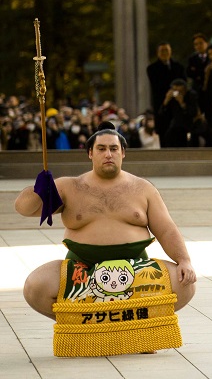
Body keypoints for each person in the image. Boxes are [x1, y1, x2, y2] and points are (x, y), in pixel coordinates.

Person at [14, 125, 196, 321]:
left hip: (136, 270)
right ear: (90, 153)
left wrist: (184, 260)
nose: (108, 154)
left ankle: (136, 325)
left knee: (186, 284)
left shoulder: (143, 188)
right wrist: (39, 189)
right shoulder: (69, 187)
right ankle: (83, 322)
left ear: (123, 153)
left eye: (113, 148)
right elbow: (24, 208)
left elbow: (166, 229)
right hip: (81, 270)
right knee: (35, 287)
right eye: (101, 149)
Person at [146, 42, 186, 121]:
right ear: (158, 53)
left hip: (178, 105)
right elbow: (156, 85)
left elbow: (184, 83)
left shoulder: (179, 67)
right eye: (162, 50)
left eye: (166, 50)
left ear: (170, 51)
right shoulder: (152, 69)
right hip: (161, 104)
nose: (164, 53)